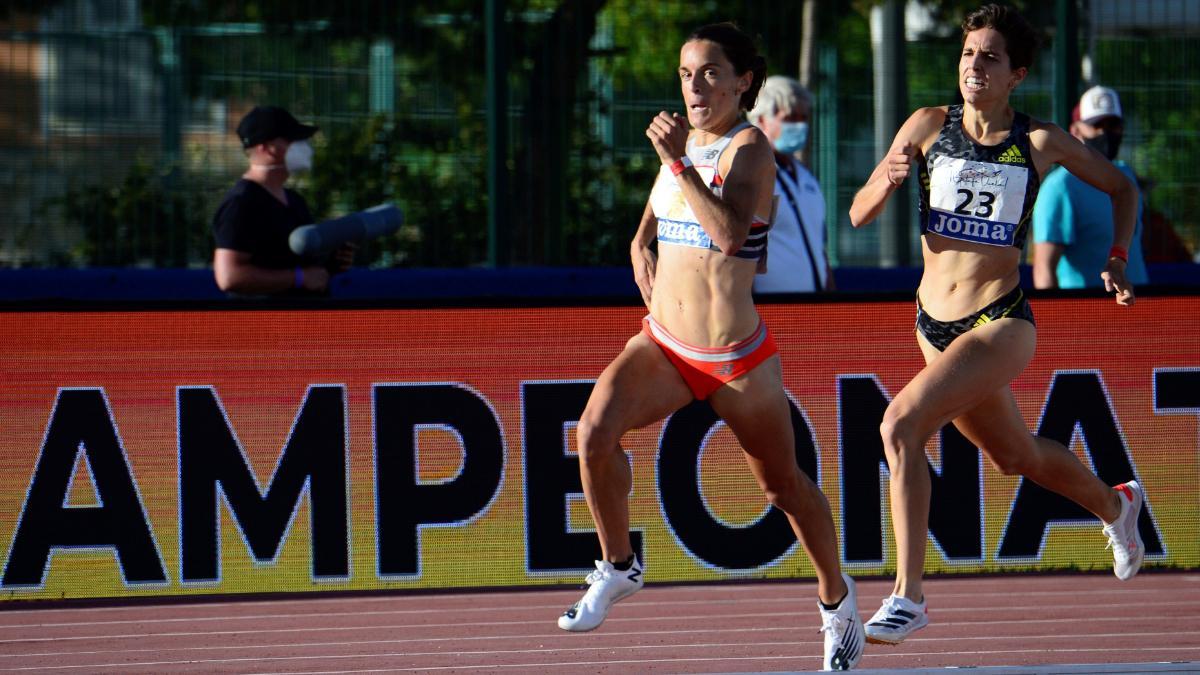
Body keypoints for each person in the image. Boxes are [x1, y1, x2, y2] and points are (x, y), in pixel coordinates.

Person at [556, 23, 864, 671]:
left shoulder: (750, 149)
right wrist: (641, 255)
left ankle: (837, 604)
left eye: (709, 73)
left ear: (742, 81)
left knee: (784, 487)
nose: (694, 86)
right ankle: (618, 565)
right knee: (591, 434)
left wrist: (676, 161)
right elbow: (646, 231)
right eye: (685, 74)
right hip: (666, 344)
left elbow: (727, 236)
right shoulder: (686, 140)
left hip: (735, 356)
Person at [848, 3, 1145, 646]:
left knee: (899, 426)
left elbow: (1123, 190)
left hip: (1000, 320)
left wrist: (1116, 259)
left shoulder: (1038, 142)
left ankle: (909, 596)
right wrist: (889, 179)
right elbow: (857, 213)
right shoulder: (927, 126)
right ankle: (1117, 504)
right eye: (966, 55)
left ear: (1017, 75)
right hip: (933, 325)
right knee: (1014, 457)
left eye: (989, 57)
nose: (973, 66)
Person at [212, 105, 353, 297]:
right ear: (266, 147)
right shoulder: (241, 203)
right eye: (292, 139)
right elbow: (229, 276)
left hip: (302, 324)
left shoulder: (294, 201)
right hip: (266, 325)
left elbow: (290, 261)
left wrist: (329, 264)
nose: (303, 145)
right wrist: (300, 277)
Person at [1032, 86, 1149, 289]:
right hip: (1087, 314)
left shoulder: (1126, 177)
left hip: (1138, 307)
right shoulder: (1060, 187)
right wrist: (1052, 318)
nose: (1106, 133)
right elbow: (1044, 268)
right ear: (1075, 131)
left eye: (1113, 125)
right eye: (1096, 125)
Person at [747, 75, 834, 293]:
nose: (799, 125)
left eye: (803, 118)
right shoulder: (749, 172)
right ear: (761, 120)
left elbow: (819, 249)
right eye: (790, 117)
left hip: (813, 311)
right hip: (772, 311)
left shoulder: (807, 178)